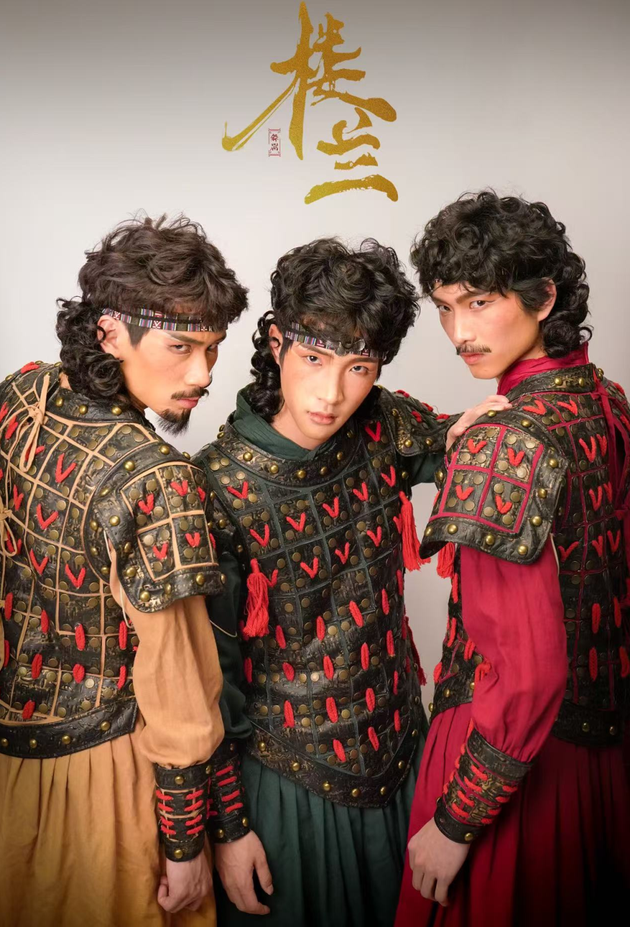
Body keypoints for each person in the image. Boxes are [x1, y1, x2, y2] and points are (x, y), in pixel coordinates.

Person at [193, 238, 509, 927]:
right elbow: (210, 683)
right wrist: (229, 827)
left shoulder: (383, 424)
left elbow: (460, 441)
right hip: (288, 783)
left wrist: (504, 418)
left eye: (358, 366)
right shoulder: (214, 488)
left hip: (403, 755)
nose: (333, 392)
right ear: (277, 342)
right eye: (314, 358)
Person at [0, 215, 248, 927]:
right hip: (107, 785)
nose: (202, 374)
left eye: (213, 348)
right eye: (180, 346)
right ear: (109, 333)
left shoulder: (17, 399)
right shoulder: (157, 477)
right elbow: (179, 689)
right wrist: (185, 843)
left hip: (6, 772)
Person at [395, 191, 630, 927]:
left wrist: (457, 819)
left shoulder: (503, 439)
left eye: (479, 302)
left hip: (509, 760)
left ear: (543, 297)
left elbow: (529, 671)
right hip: (600, 756)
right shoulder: (607, 402)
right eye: (444, 308)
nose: (458, 332)